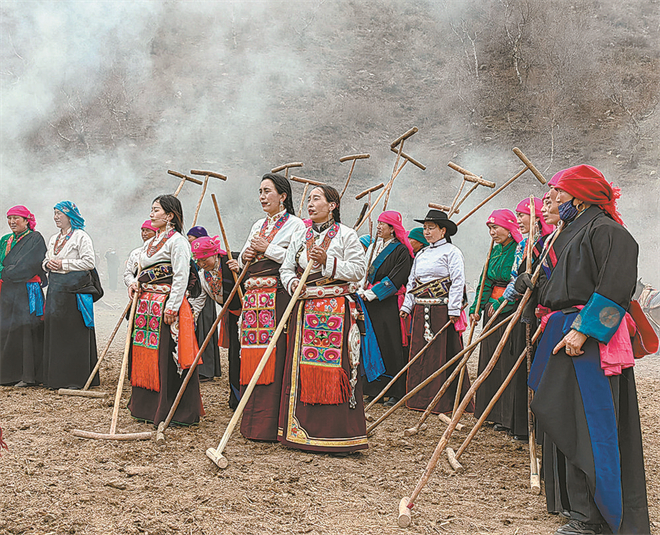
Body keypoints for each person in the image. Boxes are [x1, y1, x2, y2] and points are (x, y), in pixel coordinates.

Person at [529, 165, 649, 535]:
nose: (554, 201)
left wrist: (585, 330)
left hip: (588, 340)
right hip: (562, 332)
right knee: (562, 415)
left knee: (588, 426)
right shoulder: (568, 234)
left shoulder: (611, 232)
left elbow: (615, 287)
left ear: (580, 197)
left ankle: (595, 517)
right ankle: (574, 507)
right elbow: (560, 285)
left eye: (560, 195)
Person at [278, 185, 368, 453]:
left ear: (333, 205)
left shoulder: (346, 235)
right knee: (301, 369)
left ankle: (336, 434)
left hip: (336, 310)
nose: (310, 203)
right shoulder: (300, 235)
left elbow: (359, 271)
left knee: (336, 370)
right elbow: (285, 267)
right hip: (305, 309)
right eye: (309, 199)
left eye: (317, 199)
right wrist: (292, 282)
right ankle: (299, 432)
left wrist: (328, 260)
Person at [231, 173, 305, 440]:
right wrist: (245, 257)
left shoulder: (296, 225)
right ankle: (252, 421)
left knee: (277, 353)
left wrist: (268, 248)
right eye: (259, 191)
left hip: (278, 296)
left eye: (267, 191)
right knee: (251, 352)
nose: (262, 197)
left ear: (283, 196)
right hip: (253, 299)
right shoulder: (258, 224)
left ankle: (275, 423)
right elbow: (242, 263)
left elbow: (300, 261)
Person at [126, 195, 203, 426]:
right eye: (151, 209)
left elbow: (181, 275)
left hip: (165, 305)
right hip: (146, 307)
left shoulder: (178, 241)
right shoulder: (149, 244)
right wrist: (135, 284)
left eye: (156, 210)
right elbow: (140, 271)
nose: (152, 214)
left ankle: (173, 409)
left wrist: (172, 306)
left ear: (169, 216)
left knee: (166, 356)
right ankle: (147, 407)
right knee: (146, 352)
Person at [400, 209, 471, 415]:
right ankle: (419, 398)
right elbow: (412, 282)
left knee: (441, 353)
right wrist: (407, 306)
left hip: (442, 310)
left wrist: (454, 309)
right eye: (425, 228)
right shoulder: (421, 254)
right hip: (421, 309)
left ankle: (443, 400)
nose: (427, 232)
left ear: (443, 230)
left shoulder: (452, 252)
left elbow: (458, 281)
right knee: (420, 353)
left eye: (431, 228)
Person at [497, 197, 554, 440]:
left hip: (538, 309)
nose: (518, 220)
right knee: (520, 364)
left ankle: (534, 426)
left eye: (523, 215)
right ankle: (519, 422)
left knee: (534, 364)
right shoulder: (525, 245)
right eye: (518, 215)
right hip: (521, 306)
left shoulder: (545, 243)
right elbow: (518, 274)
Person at [468, 209, 521, 429]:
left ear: (509, 228)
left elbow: (515, 282)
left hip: (509, 310)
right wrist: (476, 307)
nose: (492, 233)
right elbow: (485, 282)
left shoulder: (518, 251)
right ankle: (489, 411)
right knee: (489, 358)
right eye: (490, 228)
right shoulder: (495, 251)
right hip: (491, 311)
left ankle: (505, 416)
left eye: (495, 227)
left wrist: (501, 305)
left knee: (505, 361)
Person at [42, 201, 102, 389]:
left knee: (73, 333)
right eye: (55, 213)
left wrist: (63, 265)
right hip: (56, 289)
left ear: (70, 216)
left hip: (74, 290)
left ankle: (76, 379)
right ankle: (56, 378)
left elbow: (89, 262)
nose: (56, 217)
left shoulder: (81, 237)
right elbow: (46, 258)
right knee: (56, 333)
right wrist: (47, 265)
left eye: (60, 213)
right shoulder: (54, 238)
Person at [359, 211, 413, 406]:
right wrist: (360, 290)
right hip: (369, 304)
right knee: (372, 344)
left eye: (384, 224)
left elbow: (396, 279)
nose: (379, 227)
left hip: (388, 304)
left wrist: (372, 294)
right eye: (379, 223)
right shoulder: (372, 248)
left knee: (390, 344)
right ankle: (374, 389)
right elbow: (363, 273)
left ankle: (394, 391)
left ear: (393, 229)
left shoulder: (401, 251)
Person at [0, 206, 47, 386]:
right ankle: (7, 374)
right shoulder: (6, 240)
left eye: (16, 218)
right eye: (9, 218)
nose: (12, 222)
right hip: (8, 291)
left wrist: (7, 273)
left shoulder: (35, 239)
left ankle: (27, 376)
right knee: (6, 329)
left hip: (27, 290)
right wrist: (5, 272)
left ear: (27, 220)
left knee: (26, 329)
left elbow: (29, 265)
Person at [189, 236, 241, 382]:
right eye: (198, 261)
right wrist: (190, 319)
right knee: (234, 356)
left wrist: (241, 269)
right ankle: (236, 398)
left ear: (214, 253)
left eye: (204, 260)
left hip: (251, 313)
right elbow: (198, 301)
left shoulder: (233, 260)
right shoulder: (203, 276)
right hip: (232, 316)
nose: (201, 264)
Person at [123, 220, 158, 288]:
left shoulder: (162, 252)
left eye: (148, 230)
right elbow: (128, 272)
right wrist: (132, 283)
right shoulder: (135, 253)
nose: (144, 233)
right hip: (138, 290)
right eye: (143, 230)